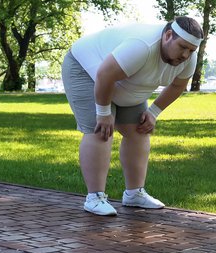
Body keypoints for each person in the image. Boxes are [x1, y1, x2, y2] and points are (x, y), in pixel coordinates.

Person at [61, 16, 204, 216]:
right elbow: (104, 74)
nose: (186, 54)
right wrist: (103, 113)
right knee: (101, 131)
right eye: (182, 47)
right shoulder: (142, 46)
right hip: (87, 68)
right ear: (168, 35)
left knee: (139, 130)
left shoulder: (188, 60)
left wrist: (153, 112)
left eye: (191, 50)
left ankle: (134, 194)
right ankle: (95, 198)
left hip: (126, 81)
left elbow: (178, 86)